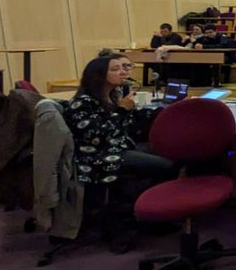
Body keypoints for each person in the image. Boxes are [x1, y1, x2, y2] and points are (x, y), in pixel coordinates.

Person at [63, 54, 175, 188]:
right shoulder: (83, 103)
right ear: (99, 75)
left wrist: (171, 110)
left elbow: (133, 121)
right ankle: (147, 197)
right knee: (167, 166)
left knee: (172, 151)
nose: (122, 72)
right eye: (115, 69)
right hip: (99, 157)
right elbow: (97, 138)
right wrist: (122, 110)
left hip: (119, 146)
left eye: (122, 68)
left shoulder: (112, 96)